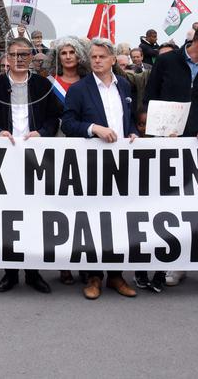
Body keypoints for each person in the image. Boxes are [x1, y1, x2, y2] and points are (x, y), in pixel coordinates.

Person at [145, 18, 198, 290]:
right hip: (170, 148)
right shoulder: (166, 62)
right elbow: (150, 98)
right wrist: (159, 128)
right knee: (174, 208)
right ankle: (178, 261)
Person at [60, 38, 138, 299]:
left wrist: (133, 133)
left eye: (102, 57)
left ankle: (116, 275)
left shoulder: (124, 85)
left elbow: (130, 120)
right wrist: (94, 129)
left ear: (113, 60)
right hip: (92, 165)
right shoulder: (80, 89)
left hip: (120, 165)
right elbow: (69, 123)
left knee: (118, 220)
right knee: (93, 221)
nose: (96, 61)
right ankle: (93, 276)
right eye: (93, 57)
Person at [0, 38, 59, 295]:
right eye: (14, 54)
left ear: (31, 57)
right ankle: (10, 272)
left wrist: (44, 133)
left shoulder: (42, 84)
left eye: (24, 54)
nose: (19, 59)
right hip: (4, 158)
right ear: (6, 57)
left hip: (35, 157)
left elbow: (54, 116)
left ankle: (33, 271)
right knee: (8, 217)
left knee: (35, 215)